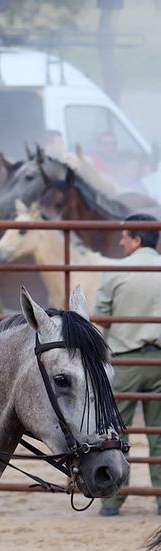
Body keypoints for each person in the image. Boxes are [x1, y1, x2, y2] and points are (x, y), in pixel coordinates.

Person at [96, 215, 161, 516]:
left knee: (116, 433)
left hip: (127, 360)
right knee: (158, 433)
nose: (121, 241)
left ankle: (112, 500)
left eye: (125, 236)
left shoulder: (116, 272)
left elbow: (102, 319)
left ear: (136, 239)